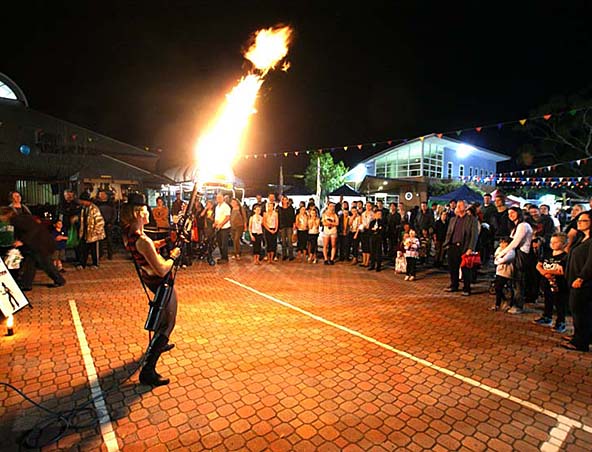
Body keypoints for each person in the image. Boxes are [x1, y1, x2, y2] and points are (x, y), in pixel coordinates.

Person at [121, 193, 181, 386]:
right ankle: (148, 371)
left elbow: (148, 249)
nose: (149, 213)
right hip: (160, 281)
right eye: (146, 210)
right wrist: (173, 255)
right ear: (139, 213)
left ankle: (158, 343)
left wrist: (163, 241)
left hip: (150, 279)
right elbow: (162, 268)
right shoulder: (142, 240)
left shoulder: (130, 233)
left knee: (163, 318)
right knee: (168, 323)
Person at [0, 207, 65, 291]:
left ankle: (59, 280)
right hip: (39, 244)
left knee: (45, 263)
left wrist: (22, 241)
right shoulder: (18, 219)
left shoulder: (17, 220)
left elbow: (33, 229)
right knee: (31, 263)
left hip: (41, 244)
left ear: (6, 215)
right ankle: (26, 284)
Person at [563, 211, 592, 352]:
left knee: (580, 311)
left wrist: (581, 277)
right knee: (576, 310)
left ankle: (581, 342)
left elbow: (590, 263)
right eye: (579, 220)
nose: (579, 223)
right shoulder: (581, 238)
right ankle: (579, 336)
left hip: (583, 282)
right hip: (573, 278)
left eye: (584, 221)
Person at [497, 207, 534, 314]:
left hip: (521, 255)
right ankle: (512, 302)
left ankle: (518, 306)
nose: (510, 215)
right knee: (513, 280)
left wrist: (502, 253)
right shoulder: (515, 227)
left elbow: (515, 243)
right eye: (509, 213)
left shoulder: (523, 225)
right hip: (515, 254)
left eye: (513, 212)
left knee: (519, 281)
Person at [443, 200, 479, 296]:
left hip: (464, 247)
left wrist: (471, 248)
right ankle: (454, 285)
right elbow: (449, 233)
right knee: (452, 267)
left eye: (460, 205)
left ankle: (466, 288)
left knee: (465, 269)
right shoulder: (453, 219)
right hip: (452, 246)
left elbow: (474, 235)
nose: (457, 207)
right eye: (457, 206)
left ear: (466, 207)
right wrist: (447, 245)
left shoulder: (472, 219)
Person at [534, 232, 568, 333]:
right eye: (551, 242)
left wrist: (548, 272)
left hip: (559, 284)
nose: (552, 244)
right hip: (546, 282)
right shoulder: (547, 254)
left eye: (556, 242)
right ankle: (547, 316)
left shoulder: (565, 257)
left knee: (559, 302)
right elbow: (539, 265)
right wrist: (544, 272)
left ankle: (560, 322)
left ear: (563, 244)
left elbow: (561, 271)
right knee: (548, 299)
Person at [77, 192, 106, 269]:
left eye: (82, 201)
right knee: (84, 249)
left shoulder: (94, 209)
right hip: (85, 232)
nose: (81, 203)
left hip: (94, 233)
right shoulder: (83, 208)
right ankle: (82, 263)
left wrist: (96, 232)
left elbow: (100, 222)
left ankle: (95, 264)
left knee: (94, 249)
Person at [490, 237, 514, 311]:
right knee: (497, 287)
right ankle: (499, 303)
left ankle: (505, 302)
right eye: (501, 242)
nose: (502, 244)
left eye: (504, 242)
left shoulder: (511, 251)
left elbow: (504, 260)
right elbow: (496, 256)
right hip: (499, 271)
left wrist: (498, 259)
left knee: (501, 287)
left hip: (506, 272)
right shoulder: (499, 249)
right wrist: (498, 259)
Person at [96, 190, 116, 260]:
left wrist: (111, 222)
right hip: (100, 224)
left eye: (102, 194)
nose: (101, 196)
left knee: (109, 240)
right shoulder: (97, 203)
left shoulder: (111, 203)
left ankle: (110, 254)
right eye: (100, 194)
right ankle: (100, 254)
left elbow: (114, 214)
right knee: (100, 240)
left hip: (109, 224)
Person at [213, 193, 231, 263]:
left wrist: (221, 224)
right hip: (218, 228)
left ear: (223, 198)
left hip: (225, 228)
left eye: (220, 197)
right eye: (217, 198)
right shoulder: (217, 207)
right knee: (219, 243)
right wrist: (215, 223)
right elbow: (217, 217)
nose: (218, 199)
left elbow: (227, 217)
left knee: (224, 243)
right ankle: (222, 256)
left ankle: (225, 258)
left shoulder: (226, 206)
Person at [278, 196, 295, 261]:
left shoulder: (291, 208)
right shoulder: (280, 208)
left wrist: (294, 225)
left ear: (288, 200)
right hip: (282, 226)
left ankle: (291, 255)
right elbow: (279, 218)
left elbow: (293, 217)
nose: (285, 201)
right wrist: (279, 227)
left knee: (290, 241)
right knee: (283, 241)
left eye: (286, 199)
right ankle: (284, 255)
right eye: (283, 199)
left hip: (289, 226)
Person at [368, 207, 384, 272]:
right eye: (377, 214)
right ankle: (372, 265)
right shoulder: (372, 222)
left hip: (379, 238)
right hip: (372, 238)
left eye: (380, 214)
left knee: (378, 252)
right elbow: (370, 230)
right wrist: (375, 230)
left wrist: (376, 229)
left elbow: (382, 230)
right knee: (372, 252)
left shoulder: (382, 222)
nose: (379, 215)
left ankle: (378, 266)